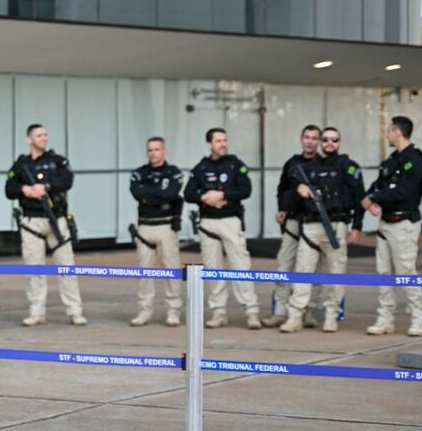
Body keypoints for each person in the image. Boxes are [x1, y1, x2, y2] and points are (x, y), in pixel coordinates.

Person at [279, 126, 365, 333]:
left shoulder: (348, 166)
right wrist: (299, 191)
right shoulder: (306, 167)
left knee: (336, 273)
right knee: (303, 272)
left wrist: (357, 227)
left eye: (334, 140)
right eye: (325, 139)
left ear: (339, 143)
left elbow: (359, 198)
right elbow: (287, 198)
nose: (329, 143)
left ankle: (331, 315)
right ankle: (295, 316)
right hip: (310, 226)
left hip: (336, 224)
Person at [5, 124, 86, 326]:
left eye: (45, 135)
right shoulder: (21, 164)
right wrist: (26, 189)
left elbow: (67, 180)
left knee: (66, 267)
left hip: (56, 219)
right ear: (29, 139)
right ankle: (36, 312)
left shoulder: (57, 161)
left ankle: (75, 311)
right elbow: (9, 188)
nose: (43, 138)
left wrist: (46, 187)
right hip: (32, 221)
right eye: (39, 135)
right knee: (34, 269)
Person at [184, 127, 261, 329]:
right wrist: (205, 198)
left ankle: (251, 311)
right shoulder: (200, 168)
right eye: (218, 141)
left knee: (240, 266)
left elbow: (246, 190)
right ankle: (218, 312)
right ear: (209, 144)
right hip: (208, 222)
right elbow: (188, 193)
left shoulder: (235, 165)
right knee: (212, 268)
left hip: (230, 220)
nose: (223, 144)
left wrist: (222, 195)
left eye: (224, 140)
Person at [359, 116, 422, 336]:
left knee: (406, 272)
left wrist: (375, 197)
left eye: (389, 131)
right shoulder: (392, 160)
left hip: (403, 223)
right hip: (385, 224)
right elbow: (378, 184)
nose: (386, 135)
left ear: (397, 132)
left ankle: (418, 318)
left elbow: (404, 191)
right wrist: (369, 199)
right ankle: (385, 319)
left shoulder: (415, 159)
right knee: (383, 273)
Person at [262, 125, 321, 328]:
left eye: (314, 138)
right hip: (293, 220)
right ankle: (280, 310)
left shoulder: (323, 164)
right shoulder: (292, 163)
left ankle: (310, 311)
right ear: (301, 139)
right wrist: (282, 209)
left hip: (314, 221)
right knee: (284, 265)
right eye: (307, 137)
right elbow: (282, 189)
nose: (310, 141)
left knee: (311, 268)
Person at [128, 137, 184, 327]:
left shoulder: (174, 172)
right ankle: (145, 311)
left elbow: (172, 194)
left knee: (172, 270)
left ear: (164, 151)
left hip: (166, 226)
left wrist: (149, 194)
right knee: (144, 272)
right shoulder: (139, 173)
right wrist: (158, 193)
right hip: (145, 227)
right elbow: (137, 193)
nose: (153, 153)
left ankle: (173, 311)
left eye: (157, 149)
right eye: (150, 150)